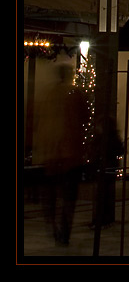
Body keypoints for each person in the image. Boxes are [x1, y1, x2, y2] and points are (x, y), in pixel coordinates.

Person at [31, 62, 90, 246]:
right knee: (68, 197)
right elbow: (85, 116)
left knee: (49, 197)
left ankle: (53, 225)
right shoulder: (75, 94)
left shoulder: (48, 94)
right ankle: (65, 230)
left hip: (49, 154)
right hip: (70, 154)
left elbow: (38, 120)